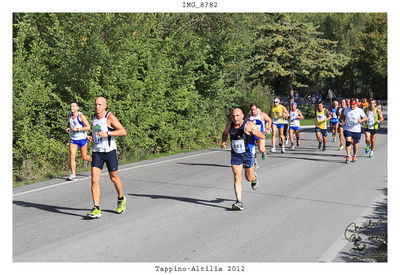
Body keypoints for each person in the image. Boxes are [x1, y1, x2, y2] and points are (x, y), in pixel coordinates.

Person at [86, 97, 127, 218]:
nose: (97, 107)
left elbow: (123, 131)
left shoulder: (110, 117)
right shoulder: (93, 117)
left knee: (114, 178)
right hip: (97, 152)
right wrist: (91, 137)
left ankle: (121, 198)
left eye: (99, 104)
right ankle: (96, 208)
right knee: (94, 179)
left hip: (110, 152)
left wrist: (108, 133)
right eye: (95, 104)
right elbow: (97, 131)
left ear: (105, 106)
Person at [221, 108, 266, 211]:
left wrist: (252, 131)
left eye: (237, 116)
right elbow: (225, 133)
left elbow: (262, 136)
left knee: (248, 178)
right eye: (233, 116)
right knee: (237, 177)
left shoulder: (249, 124)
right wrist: (223, 142)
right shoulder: (229, 125)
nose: (235, 118)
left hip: (248, 154)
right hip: (235, 155)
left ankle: (254, 178)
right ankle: (239, 202)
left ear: (242, 116)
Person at [66, 102, 92, 181]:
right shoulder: (70, 114)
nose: (72, 108)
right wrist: (69, 128)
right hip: (73, 139)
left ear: (77, 108)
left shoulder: (81, 116)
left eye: (74, 106)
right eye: (71, 106)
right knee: (72, 156)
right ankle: (73, 174)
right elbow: (70, 124)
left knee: (84, 157)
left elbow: (88, 127)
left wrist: (77, 129)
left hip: (82, 139)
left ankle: (95, 162)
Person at [341, 99, 367, 163]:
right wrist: (342, 121)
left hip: (356, 130)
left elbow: (365, 117)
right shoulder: (346, 109)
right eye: (351, 104)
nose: (352, 106)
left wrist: (361, 121)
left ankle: (354, 155)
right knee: (348, 141)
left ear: (356, 104)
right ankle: (348, 155)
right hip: (348, 128)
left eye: (353, 105)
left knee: (355, 144)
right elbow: (342, 116)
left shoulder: (359, 110)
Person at [247, 102, 271, 168]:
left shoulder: (262, 115)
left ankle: (264, 152)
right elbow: (246, 123)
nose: (253, 111)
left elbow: (269, 120)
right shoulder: (249, 116)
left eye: (254, 109)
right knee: (252, 149)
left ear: (257, 109)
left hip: (260, 135)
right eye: (251, 109)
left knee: (261, 149)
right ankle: (255, 163)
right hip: (252, 135)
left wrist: (268, 128)